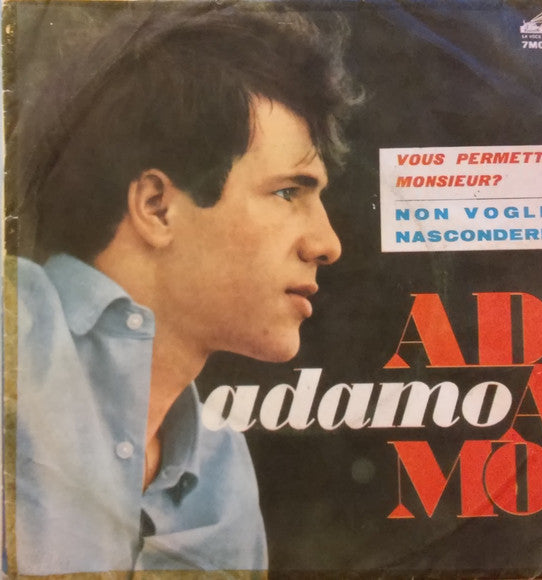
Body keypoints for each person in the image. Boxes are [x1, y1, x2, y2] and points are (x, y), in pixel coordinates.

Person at [13, 5, 357, 574]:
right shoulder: (14, 332)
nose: (327, 244)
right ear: (157, 207)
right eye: (288, 192)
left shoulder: (225, 475)